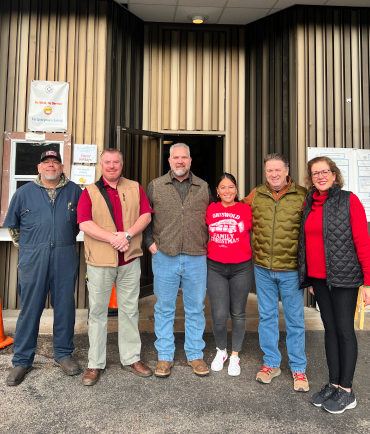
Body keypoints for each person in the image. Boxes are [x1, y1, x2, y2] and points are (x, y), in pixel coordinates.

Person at [298, 156, 370, 414]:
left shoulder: (348, 200)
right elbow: (306, 243)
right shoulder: (310, 203)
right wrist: (309, 277)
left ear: (334, 174)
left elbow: (362, 241)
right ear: (311, 177)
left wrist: (369, 282)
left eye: (325, 172)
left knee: (344, 330)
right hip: (320, 279)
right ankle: (333, 383)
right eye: (315, 173)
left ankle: (347, 390)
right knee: (329, 330)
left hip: (345, 277)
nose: (320, 176)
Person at [3, 150, 82, 386]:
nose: (51, 166)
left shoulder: (75, 191)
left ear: (61, 166)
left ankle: (64, 354)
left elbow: (81, 223)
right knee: (30, 308)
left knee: (65, 307)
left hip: (65, 255)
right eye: (46, 162)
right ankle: (22, 360)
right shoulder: (24, 193)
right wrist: (30, 249)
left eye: (55, 162)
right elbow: (13, 228)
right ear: (39, 167)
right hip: (33, 258)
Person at [78, 148, 153, 386]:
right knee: (98, 313)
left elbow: (146, 216)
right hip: (100, 261)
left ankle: (131, 358)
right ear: (101, 165)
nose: (112, 166)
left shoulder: (135, 187)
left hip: (129, 260)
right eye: (108, 162)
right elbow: (84, 223)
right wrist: (113, 238)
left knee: (130, 310)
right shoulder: (89, 191)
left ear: (122, 164)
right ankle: (95, 363)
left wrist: (128, 235)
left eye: (116, 162)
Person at [143, 143, 213, 378]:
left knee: (195, 309)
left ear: (190, 161)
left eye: (184, 157)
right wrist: (150, 243)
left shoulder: (203, 187)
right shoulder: (156, 186)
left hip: (196, 256)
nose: (180, 161)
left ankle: (194, 354)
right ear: (170, 161)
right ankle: (164, 356)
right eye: (176, 158)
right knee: (164, 309)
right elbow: (145, 216)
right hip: (165, 256)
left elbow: (213, 219)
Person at [242, 153, 309, 392]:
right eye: (270, 171)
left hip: (291, 269)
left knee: (294, 320)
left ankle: (298, 368)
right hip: (262, 268)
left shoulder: (302, 195)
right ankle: (271, 363)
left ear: (287, 170)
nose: (274, 174)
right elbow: (236, 212)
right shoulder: (256, 194)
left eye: (278, 170)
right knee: (267, 318)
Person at [206, 173, 253, 376]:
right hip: (215, 266)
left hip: (241, 267)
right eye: (223, 187)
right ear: (217, 191)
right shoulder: (211, 208)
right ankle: (221, 351)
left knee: (238, 312)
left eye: (231, 187)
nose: (227, 191)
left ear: (236, 189)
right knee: (218, 314)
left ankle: (235, 355)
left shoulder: (245, 210)